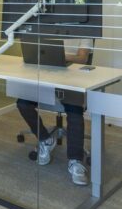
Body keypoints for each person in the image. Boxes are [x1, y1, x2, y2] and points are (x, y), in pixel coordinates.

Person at [15, 38, 90, 186]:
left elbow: (83, 58)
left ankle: (75, 161)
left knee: (75, 111)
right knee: (22, 103)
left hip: (72, 79)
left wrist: (58, 56)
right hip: (46, 75)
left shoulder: (85, 30)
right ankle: (45, 139)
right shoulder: (50, 28)